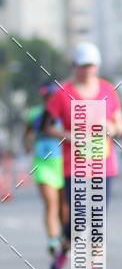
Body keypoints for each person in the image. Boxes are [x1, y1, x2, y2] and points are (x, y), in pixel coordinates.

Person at [43, 42, 122, 269]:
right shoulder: (62, 93)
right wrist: (69, 135)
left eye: (91, 65)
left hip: (103, 165)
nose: (87, 70)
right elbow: (47, 127)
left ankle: (95, 267)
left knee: (97, 217)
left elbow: (121, 124)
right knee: (78, 220)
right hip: (75, 165)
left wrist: (112, 128)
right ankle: (64, 249)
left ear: (97, 66)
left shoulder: (108, 90)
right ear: (74, 66)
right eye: (83, 66)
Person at [23, 82, 67, 256]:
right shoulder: (35, 114)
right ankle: (52, 240)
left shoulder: (65, 113)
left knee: (64, 206)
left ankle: (65, 237)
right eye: (46, 96)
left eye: (52, 96)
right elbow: (27, 135)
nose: (49, 99)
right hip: (43, 164)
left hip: (63, 163)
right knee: (51, 202)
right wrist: (28, 143)